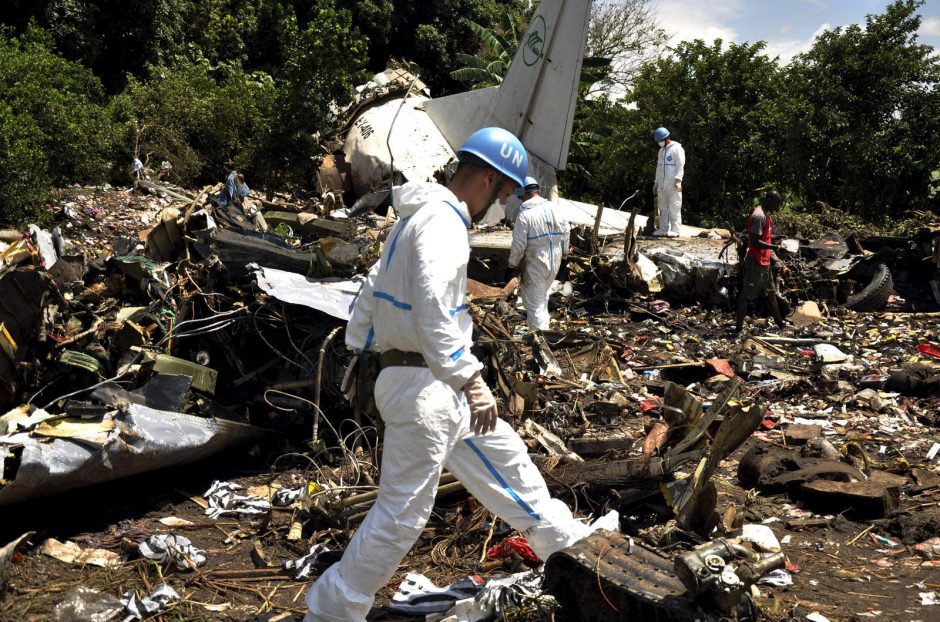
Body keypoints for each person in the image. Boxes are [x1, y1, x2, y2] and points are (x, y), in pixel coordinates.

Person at [304, 127, 616, 622]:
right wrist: (470, 379)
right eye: (506, 190)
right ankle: (330, 612)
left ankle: (569, 544)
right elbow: (434, 311)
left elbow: (369, 293)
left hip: (428, 383)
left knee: (507, 459)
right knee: (401, 515)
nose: (506, 201)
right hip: (428, 385)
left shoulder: (413, 219)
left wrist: (363, 352)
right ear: (489, 179)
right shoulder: (444, 223)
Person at [507, 176, 569, 331]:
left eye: (521, 197)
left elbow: (519, 245)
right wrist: (565, 258)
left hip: (536, 262)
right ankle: (545, 332)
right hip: (554, 260)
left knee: (534, 305)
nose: (521, 201)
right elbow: (566, 233)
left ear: (524, 194)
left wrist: (512, 265)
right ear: (538, 191)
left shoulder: (525, 215)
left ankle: (539, 342)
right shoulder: (556, 208)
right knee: (542, 298)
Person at [735, 190, 788, 333]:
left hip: (764, 262)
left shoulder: (765, 214)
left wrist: (776, 240)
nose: (778, 207)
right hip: (756, 261)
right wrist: (775, 247)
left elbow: (763, 237)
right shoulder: (759, 216)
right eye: (777, 204)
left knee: (770, 293)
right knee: (746, 296)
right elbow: (755, 242)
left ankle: (780, 323)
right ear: (769, 201)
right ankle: (738, 328)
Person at [652, 127, 685, 237]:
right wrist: (656, 182)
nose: (659, 143)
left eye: (660, 140)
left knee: (674, 208)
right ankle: (663, 229)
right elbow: (658, 167)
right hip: (662, 186)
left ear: (667, 138)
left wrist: (678, 180)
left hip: (673, 185)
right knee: (662, 208)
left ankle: (675, 230)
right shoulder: (661, 151)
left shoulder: (677, 148)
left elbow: (681, 165)